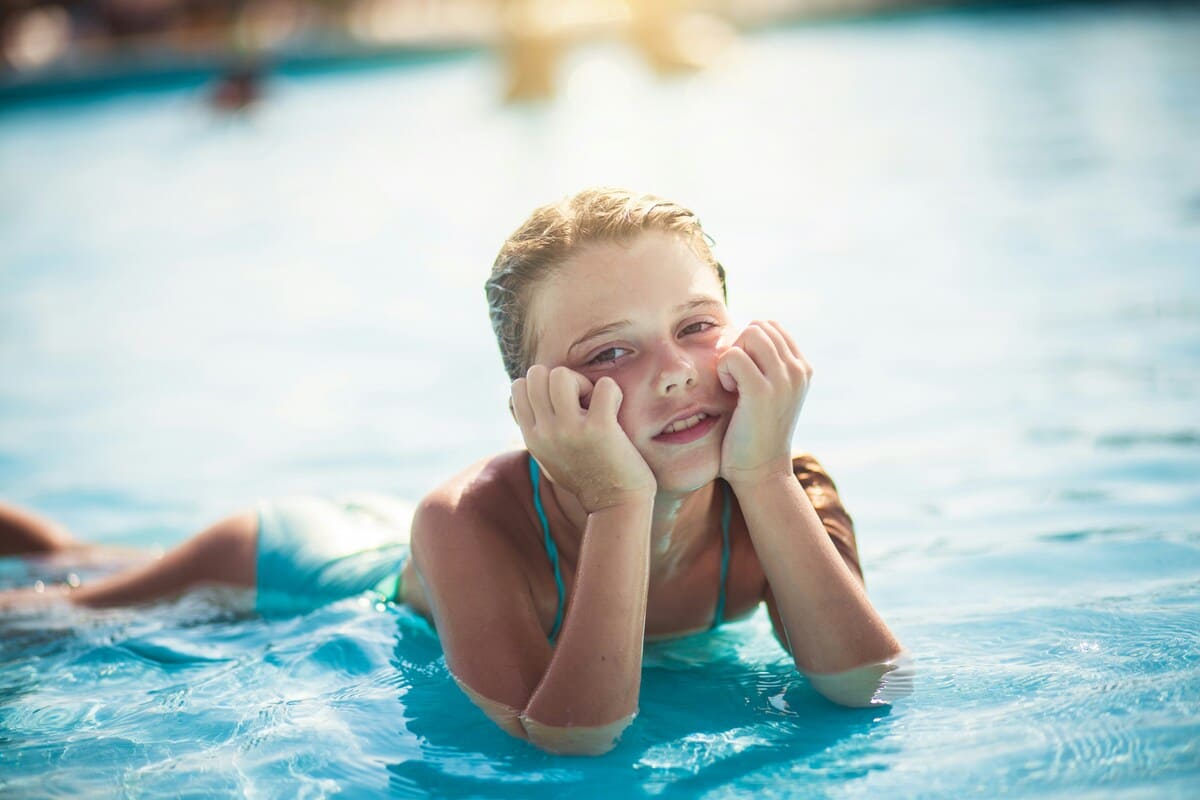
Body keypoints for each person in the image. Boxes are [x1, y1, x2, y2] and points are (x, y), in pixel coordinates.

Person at [0, 188, 908, 755]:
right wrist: (619, 504)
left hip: (387, 542)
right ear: (535, 399)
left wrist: (762, 479)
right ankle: (46, 554)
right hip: (293, 566)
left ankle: (50, 540)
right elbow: (573, 739)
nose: (673, 369)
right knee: (59, 619)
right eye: (608, 352)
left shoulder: (779, 486)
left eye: (697, 325)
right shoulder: (462, 521)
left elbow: (876, 686)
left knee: (79, 555)